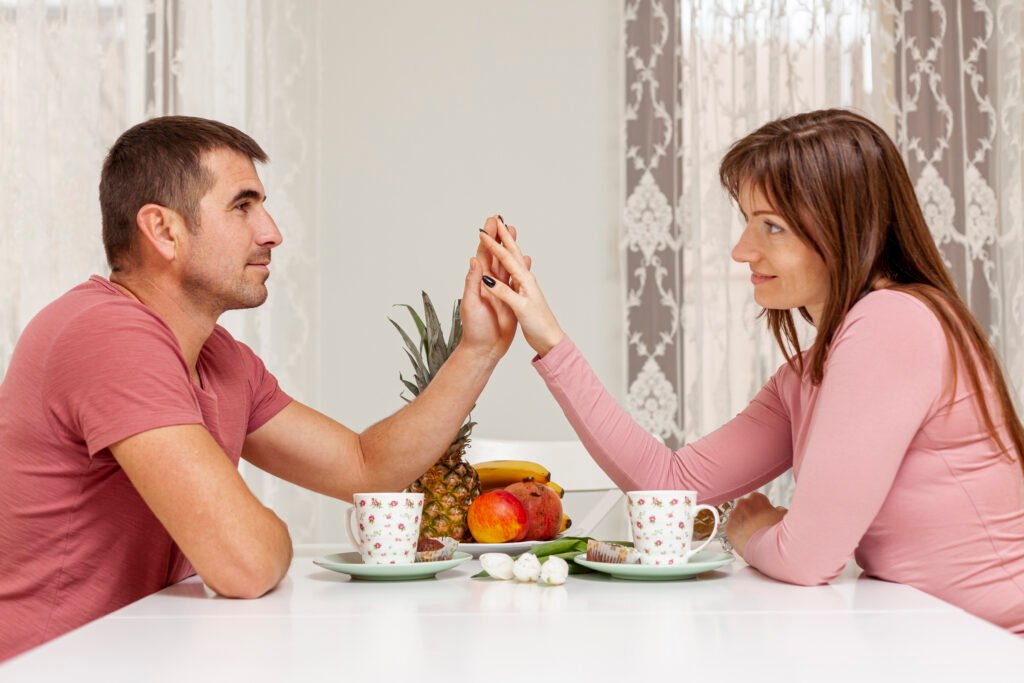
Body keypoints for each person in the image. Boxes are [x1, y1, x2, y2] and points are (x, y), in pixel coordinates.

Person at [476, 108, 1024, 634]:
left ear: (844, 228)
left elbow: (807, 559)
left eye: (772, 227)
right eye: (747, 223)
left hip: (993, 650)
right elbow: (671, 486)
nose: (742, 251)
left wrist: (754, 531)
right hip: (929, 639)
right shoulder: (814, 370)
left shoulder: (891, 323)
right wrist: (548, 336)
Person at [0, 116, 518, 661]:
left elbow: (367, 467)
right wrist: (269, 536)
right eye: (242, 206)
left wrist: (478, 350)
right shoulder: (106, 334)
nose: (272, 232)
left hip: (141, 654)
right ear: (163, 231)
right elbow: (244, 564)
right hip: (48, 664)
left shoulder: (221, 358)